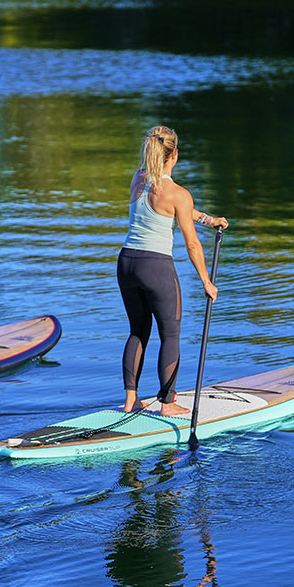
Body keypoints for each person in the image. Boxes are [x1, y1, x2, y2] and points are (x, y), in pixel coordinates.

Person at [118, 126, 229, 417]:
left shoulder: (138, 179)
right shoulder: (178, 193)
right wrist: (207, 281)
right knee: (170, 334)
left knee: (138, 331)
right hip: (156, 268)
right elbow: (192, 244)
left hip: (127, 263)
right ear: (174, 154)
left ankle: (131, 399)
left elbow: (180, 210)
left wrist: (209, 219)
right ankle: (167, 404)